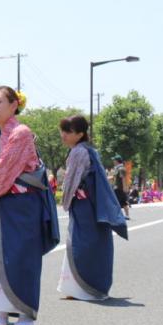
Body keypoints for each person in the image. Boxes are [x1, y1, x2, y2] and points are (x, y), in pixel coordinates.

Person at [0, 86, 59, 325]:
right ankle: (0, 309)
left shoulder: (21, 132)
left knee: (22, 257)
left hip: (22, 206)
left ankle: (26, 312)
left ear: (14, 105)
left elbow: (3, 168)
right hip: (0, 205)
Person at [56, 115, 127, 301]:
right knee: (93, 245)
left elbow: (71, 181)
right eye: (62, 130)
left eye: (68, 131)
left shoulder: (78, 152)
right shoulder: (89, 150)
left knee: (80, 244)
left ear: (80, 134)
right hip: (93, 205)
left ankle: (83, 290)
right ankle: (85, 288)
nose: (63, 135)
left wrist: (65, 201)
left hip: (83, 206)